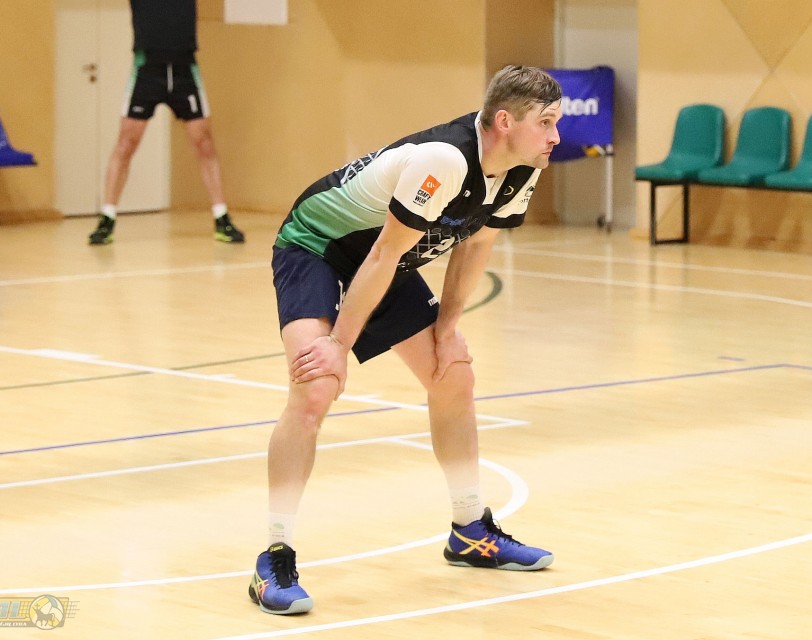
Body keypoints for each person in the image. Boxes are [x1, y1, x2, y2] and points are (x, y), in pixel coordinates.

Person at [248, 65, 563, 616]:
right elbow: (384, 253)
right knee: (316, 386)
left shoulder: (521, 169)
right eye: (546, 123)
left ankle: (470, 531)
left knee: (453, 375)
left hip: (380, 261)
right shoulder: (445, 160)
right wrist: (338, 345)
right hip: (318, 246)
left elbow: (476, 246)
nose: (556, 137)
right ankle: (273, 557)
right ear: (505, 121)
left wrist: (447, 329)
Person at [88, 0, 244, 245]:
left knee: (204, 143)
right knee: (126, 143)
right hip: (148, 69)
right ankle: (107, 218)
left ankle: (221, 217)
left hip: (184, 69)